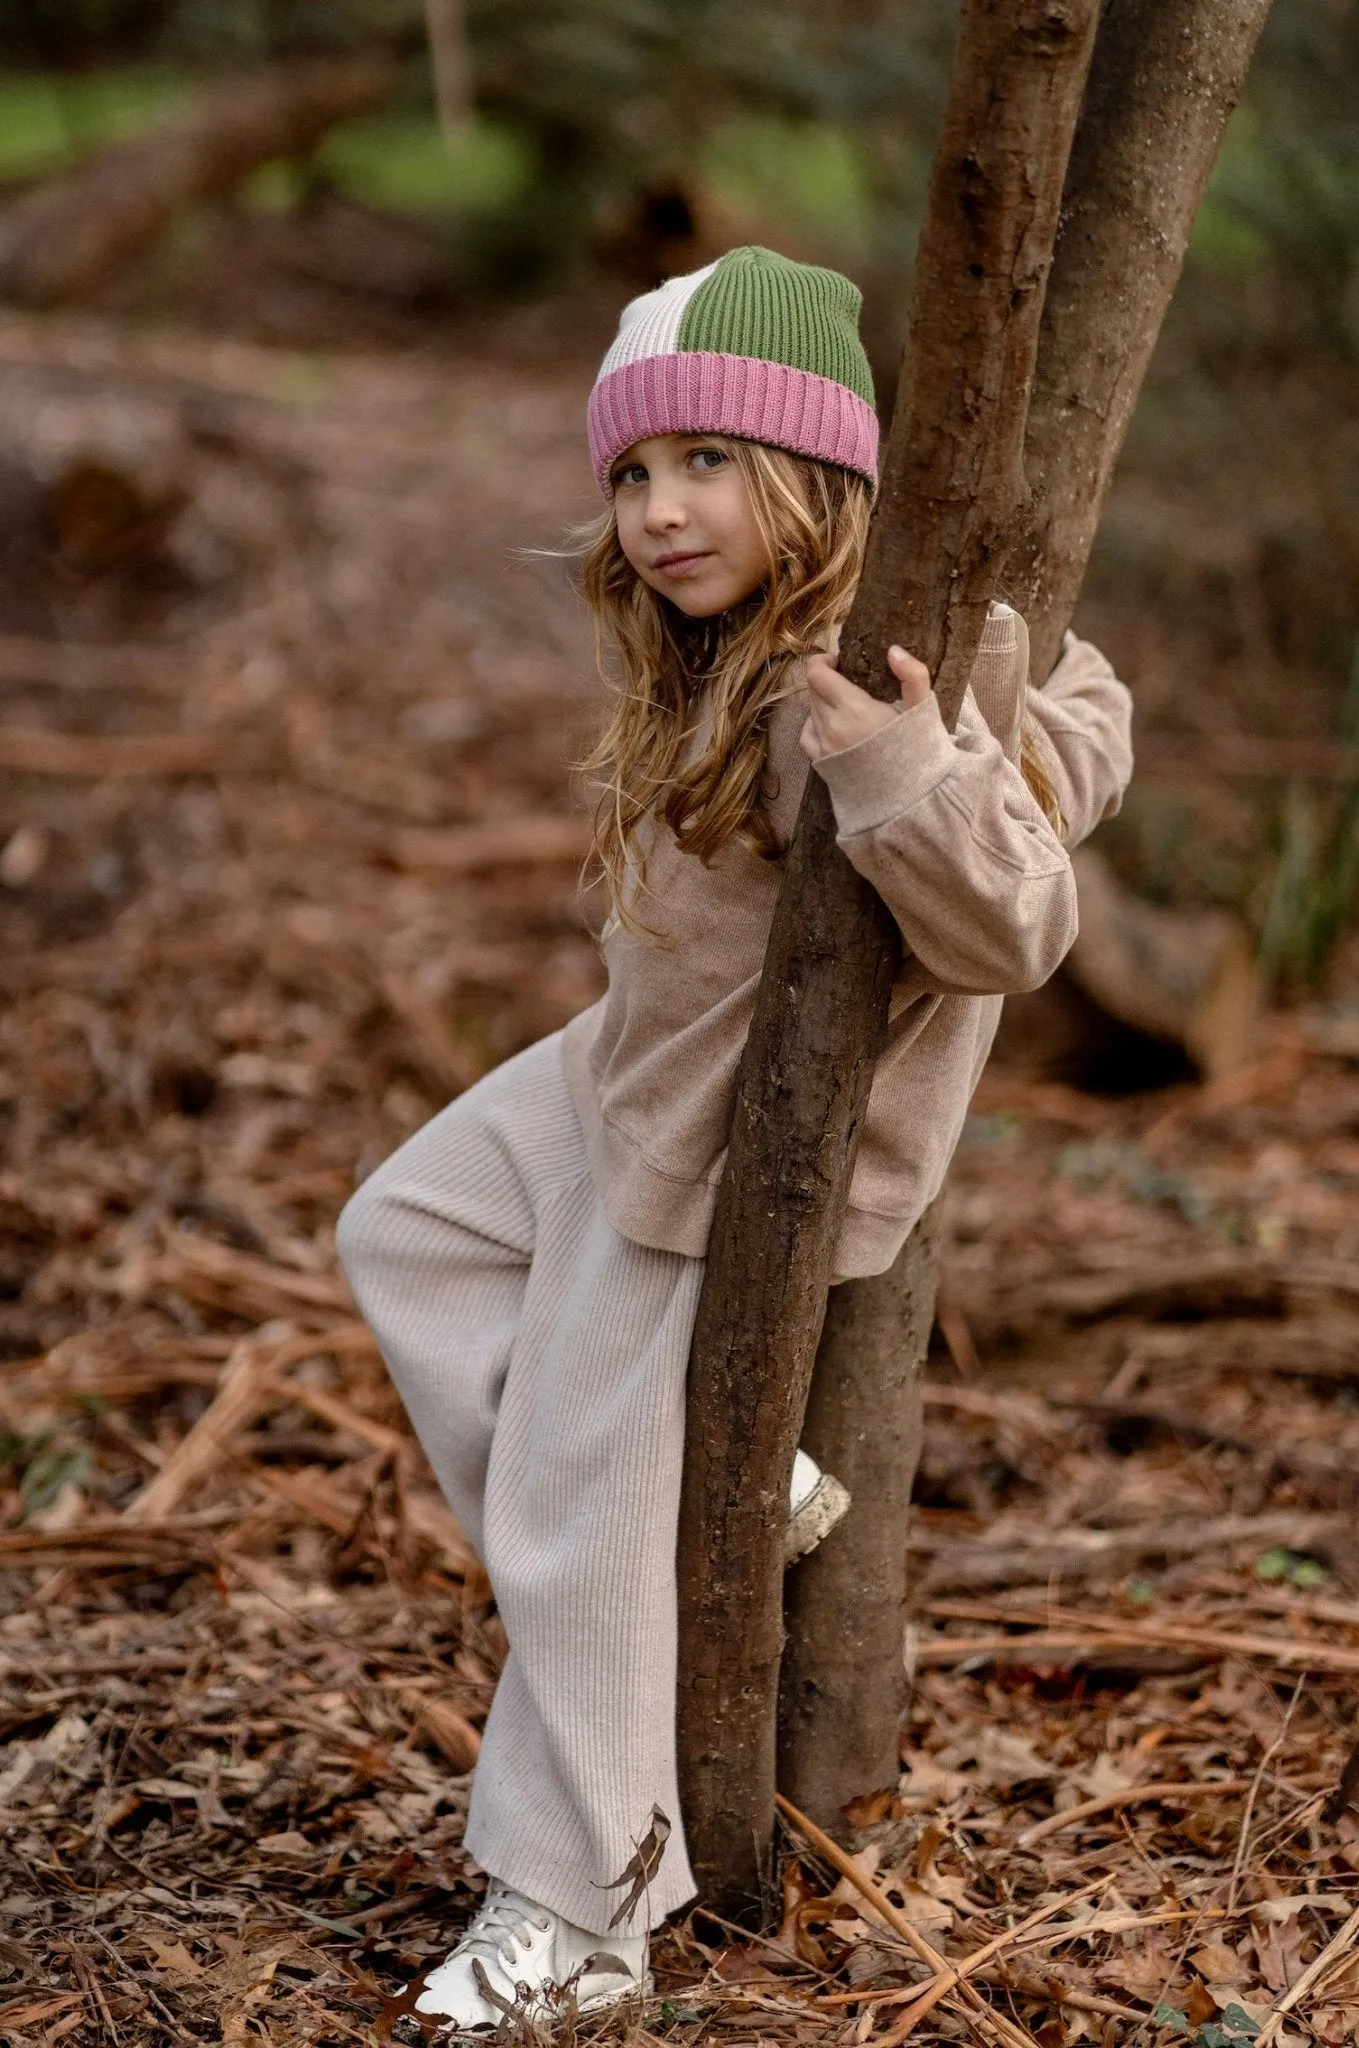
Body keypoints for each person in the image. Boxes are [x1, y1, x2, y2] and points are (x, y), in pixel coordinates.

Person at [337, 245, 1133, 2030]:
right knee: (407, 1232)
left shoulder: (867, 679)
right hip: (626, 1072)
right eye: (630, 473)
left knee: (573, 1522)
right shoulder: (717, 646)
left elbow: (1014, 922)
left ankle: (581, 1912)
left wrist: (908, 765)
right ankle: (710, 1472)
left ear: (814, 469)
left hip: (725, 1157)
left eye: (706, 460)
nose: (658, 510)